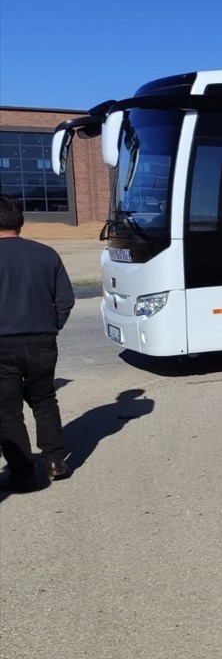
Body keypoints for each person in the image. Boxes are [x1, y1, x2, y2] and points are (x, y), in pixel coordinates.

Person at [0, 194, 75, 491]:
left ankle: (21, 472)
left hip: (2, 344)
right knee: (44, 400)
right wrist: (50, 327)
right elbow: (65, 300)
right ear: (21, 221)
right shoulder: (47, 254)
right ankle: (55, 461)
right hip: (42, 339)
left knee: (8, 411)